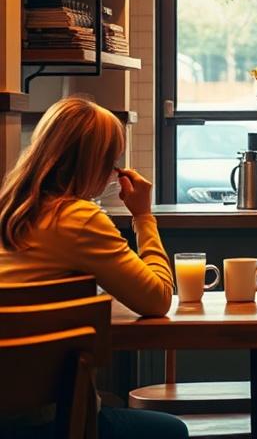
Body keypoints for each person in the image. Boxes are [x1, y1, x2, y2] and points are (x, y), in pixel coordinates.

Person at [0, 97, 187, 439]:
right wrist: (143, 216)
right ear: (92, 163)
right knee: (171, 431)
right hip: (48, 421)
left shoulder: (8, 210)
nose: (116, 170)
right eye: (112, 159)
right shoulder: (78, 218)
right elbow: (158, 298)